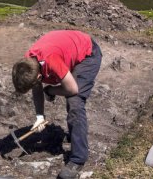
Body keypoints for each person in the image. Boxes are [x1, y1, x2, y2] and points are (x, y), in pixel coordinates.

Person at [12, 30, 102, 179]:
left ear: (39, 76)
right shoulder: (28, 63)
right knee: (67, 91)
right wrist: (40, 116)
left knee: (74, 101)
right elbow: (36, 87)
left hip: (88, 53)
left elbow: (72, 88)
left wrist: (50, 90)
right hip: (68, 49)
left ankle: (78, 159)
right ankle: (75, 135)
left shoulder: (50, 60)